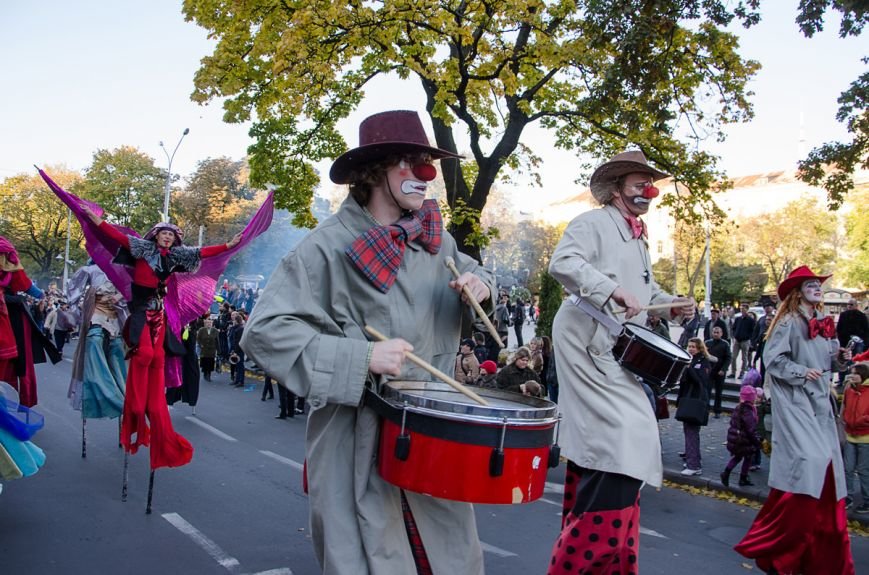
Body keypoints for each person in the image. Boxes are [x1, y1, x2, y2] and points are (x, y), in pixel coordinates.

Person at [240, 110, 493, 574]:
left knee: (449, 559)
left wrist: (481, 289)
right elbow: (264, 332)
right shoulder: (324, 247)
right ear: (375, 172)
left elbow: (476, 279)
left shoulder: (438, 243)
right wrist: (362, 357)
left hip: (430, 439)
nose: (426, 174)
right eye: (409, 162)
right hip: (354, 443)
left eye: (427, 163)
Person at [546, 150, 693, 575]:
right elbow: (563, 263)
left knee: (615, 441)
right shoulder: (592, 222)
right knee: (627, 433)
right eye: (639, 183)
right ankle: (584, 555)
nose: (649, 191)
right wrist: (609, 290)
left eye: (651, 184)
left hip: (615, 346)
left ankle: (609, 556)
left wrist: (670, 304)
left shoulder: (639, 236)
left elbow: (642, 293)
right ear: (615, 189)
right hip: (585, 339)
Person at [79, 208, 241, 469]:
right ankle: (135, 404)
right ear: (156, 235)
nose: (167, 237)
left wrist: (228, 246)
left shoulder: (176, 256)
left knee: (157, 356)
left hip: (159, 313)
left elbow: (202, 252)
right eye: (164, 233)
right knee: (143, 354)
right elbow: (114, 235)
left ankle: (154, 405)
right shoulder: (141, 248)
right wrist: (95, 218)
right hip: (139, 312)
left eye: (171, 235)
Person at [734, 266, 855, 575]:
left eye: (818, 284)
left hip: (821, 406)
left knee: (827, 471)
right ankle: (779, 546)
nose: (817, 288)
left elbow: (829, 361)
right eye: (810, 284)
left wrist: (841, 359)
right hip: (796, 403)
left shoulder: (823, 323)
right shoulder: (787, 322)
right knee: (808, 463)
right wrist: (802, 372)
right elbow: (773, 360)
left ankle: (815, 555)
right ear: (797, 293)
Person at [0, 236, 59, 407]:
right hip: (10, 317)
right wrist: (41, 296)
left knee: (15, 361)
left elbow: (26, 286)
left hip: (11, 316)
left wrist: (41, 295)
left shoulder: (12, 270)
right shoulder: (11, 267)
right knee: (15, 361)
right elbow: (27, 286)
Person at [65, 262, 128, 419]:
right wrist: (77, 312)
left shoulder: (123, 270)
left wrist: (120, 296)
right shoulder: (90, 270)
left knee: (116, 351)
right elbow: (73, 289)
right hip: (97, 313)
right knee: (94, 342)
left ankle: (123, 395)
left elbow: (131, 290)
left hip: (114, 317)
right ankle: (107, 392)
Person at [677, 337, 711, 476]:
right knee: (689, 431)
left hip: (696, 401)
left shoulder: (703, 362)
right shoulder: (691, 361)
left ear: (699, 348)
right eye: (689, 346)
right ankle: (693, 458)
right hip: (688, 399)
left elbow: (701, 381)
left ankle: (694, 464)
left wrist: (689, 368)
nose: (690, 349)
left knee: (692, 432)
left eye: (693, 347)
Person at [720, 385, 762, 488]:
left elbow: (733, 422)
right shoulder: (749, 411)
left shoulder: (738, 408)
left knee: (738, 457)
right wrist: (757, 441)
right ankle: (741, 477)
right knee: (747, 457)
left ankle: (728, 473)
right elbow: (751, 429)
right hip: (744, 440)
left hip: (736, 438)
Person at [842, 362, 869, 512]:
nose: (852, 376)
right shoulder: (849, 390)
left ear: (863, 375)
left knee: (864, 471)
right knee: (848, 469)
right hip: (850, 435)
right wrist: (846, 419)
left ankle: (867, 501)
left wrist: (862, 420)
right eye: (851, 373)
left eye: (855, 373)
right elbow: (845, 407)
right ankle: (848, 497)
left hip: (866, 437)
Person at [837, 299, 868, 382]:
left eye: (851, 304)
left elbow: (866, 329)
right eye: (848, 304)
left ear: (856, 306)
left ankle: (852, 379)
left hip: (858, 342)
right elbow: (839, 328)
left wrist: (864, 342)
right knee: (843, 360)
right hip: (845, 341)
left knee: (855, 360)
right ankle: (841, 379)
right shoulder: (843, 315)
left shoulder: (861, 315)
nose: (849, 306)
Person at [705, 325, 732, 419]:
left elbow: (728, 358)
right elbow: (704, 355)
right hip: (709, 370)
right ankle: (706, 409)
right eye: (714, 332)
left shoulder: (725, 344)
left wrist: (723, 369)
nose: (716, 334)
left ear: (721, 334)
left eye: (718, 333)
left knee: (718, 392)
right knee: (707, 391)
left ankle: (717, 410)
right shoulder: (707, 343)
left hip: (720, 371)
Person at [729, 303, 756, 379]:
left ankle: (742, 372)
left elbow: (753, 331)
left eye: (743, 309)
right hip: (737, 340)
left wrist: (749, 338)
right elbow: (734, 328)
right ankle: (733, 372)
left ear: (747, 309)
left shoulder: (751, 320)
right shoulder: (738, 319)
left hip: (745, 340)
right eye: (741, 309)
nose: (742, 310)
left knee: (744, 358)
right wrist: (734, 335)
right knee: (733, 357)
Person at [228, 312, 246, 388]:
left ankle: (241, 381)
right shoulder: (236, 328)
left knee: (240, 366)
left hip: (239, 350)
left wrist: (235, 351)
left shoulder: (240, 329)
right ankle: (237, 380)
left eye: (234, 320)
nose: (233, 321)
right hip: (236, 349)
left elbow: (238, 341)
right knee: (237, 366)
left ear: (236, 321)